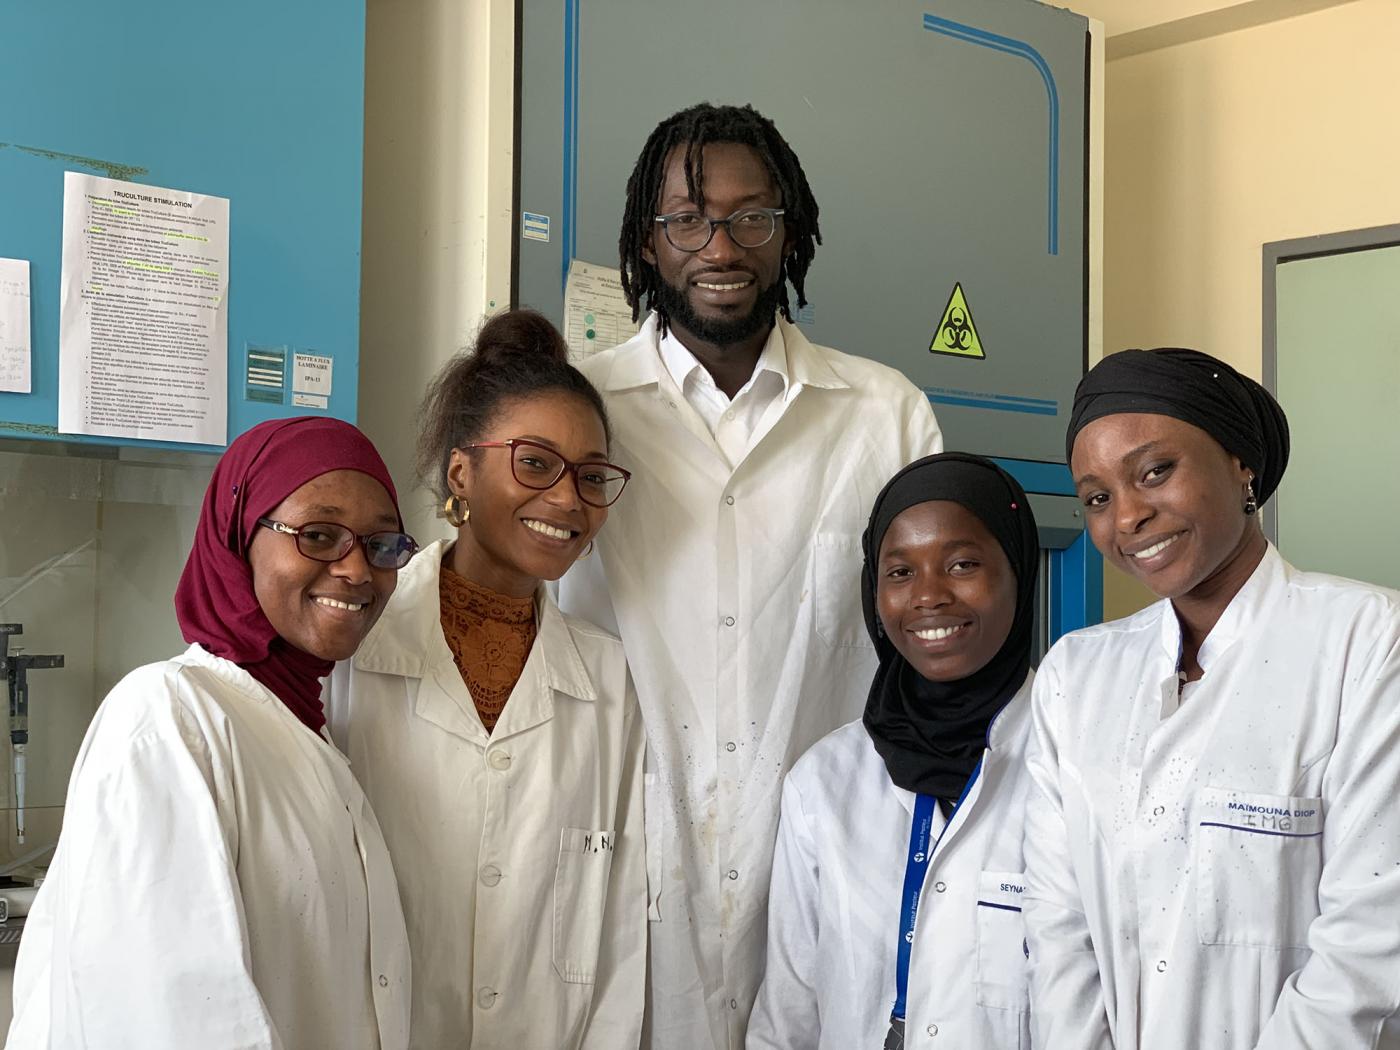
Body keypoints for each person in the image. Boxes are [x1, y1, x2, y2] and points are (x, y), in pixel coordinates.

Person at [557, 101, 944, 1049]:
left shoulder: (884, 414)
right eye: (687, 220)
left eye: (751, 218)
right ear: (646, 244)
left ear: (790, 232)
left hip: (826, 866)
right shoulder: (580, 411)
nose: (720, 247)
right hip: (625, 871)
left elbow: (937, 649)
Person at [1025, 347, 1400, 1050]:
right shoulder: (1075, 674)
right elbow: (1057, 929)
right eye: (1098, 497)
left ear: (1240, 465)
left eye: (1155, 471)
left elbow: (1373, 937)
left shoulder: (1370, 641)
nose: (1127, 516)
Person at [6, 417, 418, 1050]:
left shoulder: (303, 727)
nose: (358, 569)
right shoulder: (169, 717)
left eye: (382, 544)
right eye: (318, 535)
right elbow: (165, 1019)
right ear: (237, 537)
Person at [327, 309, 647, 1050]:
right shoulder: (355, 644)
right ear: (460, 474)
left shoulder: (611, 682)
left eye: (591, 476)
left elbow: (621, 940)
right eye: (534, 463)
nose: (568, 499)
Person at [747, 453, 1038, 1050]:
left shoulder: (1075, 761)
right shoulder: (825, 781)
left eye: (962, 564)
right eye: (900, 572)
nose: (928, 596)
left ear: (1018, 570)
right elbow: (789, 1014)